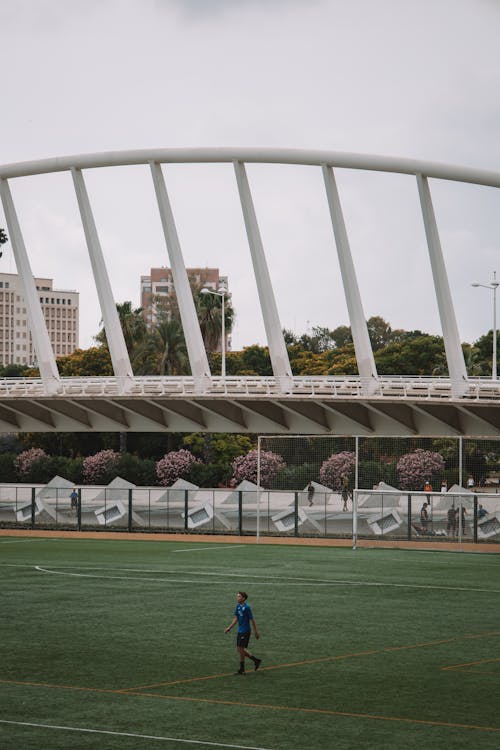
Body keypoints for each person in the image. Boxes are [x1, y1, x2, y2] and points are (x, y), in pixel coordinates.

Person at [224, 591, 261, 675]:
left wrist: (256, 632)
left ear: (243, 598)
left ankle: (244, 668)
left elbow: (252, 620)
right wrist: (229, 627)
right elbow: (236, 618)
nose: (237, 598)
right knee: (240, 649)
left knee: (240, 649)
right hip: (240, 631)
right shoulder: (238, 606)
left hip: (245, 631)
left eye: (239, 596)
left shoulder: (247, 608)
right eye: (237, 596)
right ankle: (254, 662)